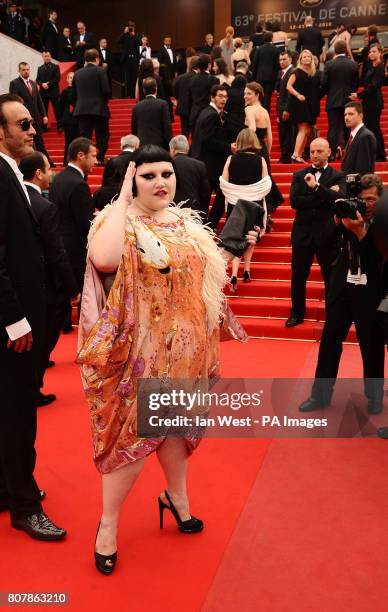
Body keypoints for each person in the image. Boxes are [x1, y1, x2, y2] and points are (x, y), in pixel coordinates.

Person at [77, 144, 256, 574]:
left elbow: (200, 278)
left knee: (177, 431)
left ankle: (176, 499)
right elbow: (103, 258)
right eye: (149, 176)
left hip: (187, 350)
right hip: (142, 354)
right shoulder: (117, 222)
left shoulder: (182, 222)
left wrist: (233, 249)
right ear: (131, 180)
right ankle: (108, 524)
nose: (161, 183)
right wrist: (120, 200)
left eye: (166, 174)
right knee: (134, 443)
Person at [0, 93, 66, 540]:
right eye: (22, 124)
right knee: (19, 413)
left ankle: (8, 490)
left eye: (32, 122)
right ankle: (24, 503)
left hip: (18, 316)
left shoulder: (9, 174)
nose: (32, 128)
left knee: (9, 409)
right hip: (14, 323)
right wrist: (16, 319)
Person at [299, 174, 386, 414]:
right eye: (362, 199)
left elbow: (378, 259)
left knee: (372, 346)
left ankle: (375, 398)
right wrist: (337, 221)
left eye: (371, 199)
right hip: (342, 287)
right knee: (329, 342)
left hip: (370, 291)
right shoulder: (348, 213)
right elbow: (323, 240)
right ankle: (320, 395)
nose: (365, 204)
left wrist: (360, 232)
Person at [20, 152, 79, 404]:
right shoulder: (44, 207)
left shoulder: (17, 199)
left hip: (20, 280)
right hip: (45, 285)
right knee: (44, 336)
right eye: (48, 169)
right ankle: (32, 387)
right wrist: (71, 287)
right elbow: (57, 253)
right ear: (38, 173)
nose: (51, 173)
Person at [286, 138, 345, 327]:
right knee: (298, 277)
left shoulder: (338, 176)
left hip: (328, 235)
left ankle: (333, 316)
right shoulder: (299, 175)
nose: (315, 155)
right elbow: (295, 202)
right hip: (303, 234)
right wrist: (324, 195)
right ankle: (296, 313)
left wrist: (316, 188)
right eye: (312, 152)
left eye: (320, 151)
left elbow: (339, 199)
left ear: (329, 152)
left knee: (331, 278)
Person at [49, 137, 96, 321]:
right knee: (81, 288)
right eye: (92, 156)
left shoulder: (59, 178)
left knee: (62, 286)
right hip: (76, 246)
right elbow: (85, 223)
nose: (95, 161)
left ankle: (64, 321)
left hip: (59, 240)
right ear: (80, 155)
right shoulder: (78, 184)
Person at [220, 128, 271, 291]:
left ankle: (234, 273)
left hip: (235, 205)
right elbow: (266, 184)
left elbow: (224, 183)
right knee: (250, 239)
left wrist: (238, 194)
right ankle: (247, 269)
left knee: (235, 238)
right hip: (253, 205)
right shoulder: (260, 160)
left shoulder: (231, 159)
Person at [190, 84, 235, 230]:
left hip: (205, 163)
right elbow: (208, 141)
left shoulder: (208, 112)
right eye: (220, 96)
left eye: (225, 96)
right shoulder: (211, 115)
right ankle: (208, 226)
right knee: (219, 195)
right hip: (209, 165)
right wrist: (229, 147)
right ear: (212, 97)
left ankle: (206, 226)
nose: (223, 99)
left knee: (206, 197)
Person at [244, 81, 284, 216]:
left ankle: (259, 212)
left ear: (257, 95)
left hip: (252, 149)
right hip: (263, 150)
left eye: (248, 94)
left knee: (255, 182)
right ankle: (267, 209)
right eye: (245, 93)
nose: (245, 96)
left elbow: (252, 129)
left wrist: (246, 146)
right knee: (265, 179)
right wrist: (267, 152)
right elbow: (270, 137)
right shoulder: (265, 111)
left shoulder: (248, 109)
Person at [9, 62, 54, 166]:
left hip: (35, 119)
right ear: (19, 71)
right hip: (24, 120)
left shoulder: (33, 83)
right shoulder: (14, 83)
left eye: (27, 69)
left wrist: (44, 115)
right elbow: (15, 102)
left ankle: (48, 162)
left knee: (40, 142)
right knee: (28, 143)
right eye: (23, 70)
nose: (26, 71)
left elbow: (39, 101)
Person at [72, 48, 111, 165]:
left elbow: (73, 94)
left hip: (81, 110)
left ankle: (86, 159)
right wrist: (104, 101)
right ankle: (99, 158)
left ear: (85, 59)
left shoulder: (77, 73)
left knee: (84, 137)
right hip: (99, 109)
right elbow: (106, 91)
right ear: (97, 59)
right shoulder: (100, 71)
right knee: (102, 135)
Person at [321, 40, 359, 160]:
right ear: (346, 50)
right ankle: (348, 152)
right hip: (349, 101)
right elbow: (356, 84)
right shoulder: (353, 64)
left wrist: (328, 93)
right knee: (349, 126)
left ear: (335, 51)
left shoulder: (329, 64)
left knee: (333, 127)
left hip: (332, 100)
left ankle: (331, 154)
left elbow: (324, 84)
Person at [286, 49, 320, 163]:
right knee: (303, 128)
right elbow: (288, 86)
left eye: (308, 57)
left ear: (311, 59)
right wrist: (298, 95)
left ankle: (299, 155)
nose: (306, 58)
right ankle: (295, 154)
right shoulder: (296, 72)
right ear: (300, 59)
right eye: (304, 57)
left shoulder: (312, 73)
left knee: (307, 130)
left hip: (309, 104)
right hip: (299, 104)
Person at [354, 44, 386, 162]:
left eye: (373, 51)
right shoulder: (370, 66)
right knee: (370, 128)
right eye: (369, 52)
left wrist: (358, 95)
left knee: (374, 128)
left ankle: (380, 155)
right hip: (367, 102)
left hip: (374, 103)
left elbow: (373, 86)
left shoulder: (380, 67)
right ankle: (374, 154)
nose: (370, 54)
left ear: (379, 53)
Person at [169, 134, 211, 219]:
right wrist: (203, 214)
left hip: (170, 209)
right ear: (187, 149)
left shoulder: (167, 164)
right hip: (193, 210)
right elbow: (205, 193)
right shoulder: (199, 165)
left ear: (172, 149)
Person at [131, 77, 172, 149]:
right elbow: (167, 127)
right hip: (159, 145)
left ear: (143, 90)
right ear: (156, 88)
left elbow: (134, 130)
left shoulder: (137, 107)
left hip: (142, 145)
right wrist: (168, 145)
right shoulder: (163, 104)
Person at [341, 101, 376, 175]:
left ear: (361, 116)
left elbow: (363, 170)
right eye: (345, 114)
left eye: (351, 114)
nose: (346, 118)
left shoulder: (365, 136)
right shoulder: (354, 135)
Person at [188, 54, 219, 132]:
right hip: (209, 115)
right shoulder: (214, 79)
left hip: (194, 114)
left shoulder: (191, 80)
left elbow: (189, 98)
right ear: (209, 65)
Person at [251, 32, 280, 112]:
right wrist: (276, 78)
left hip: (259, 76)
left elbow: (255, 64)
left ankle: (261, 113)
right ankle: (266, 114)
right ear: (271, 38)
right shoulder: (275, 49)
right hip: (271, 77)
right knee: (267, 96)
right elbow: (277, 65)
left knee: (261, 96)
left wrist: (253, 78)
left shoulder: (259, 49)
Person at [275, 50, 295, 164]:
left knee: (286, 134)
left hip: (286, 109)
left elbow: (290, 94)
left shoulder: (292, 72)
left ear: (290, 59)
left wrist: (286, 110)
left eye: (284, 59)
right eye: (280, 60)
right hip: (282, 108)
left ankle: (286, 158)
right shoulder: (283, 73)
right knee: (283, 133)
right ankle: (285, 156)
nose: (281, 62)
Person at [173, 56, 199, 137]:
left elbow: (174, 91)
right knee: (195, 132)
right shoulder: (198, 78)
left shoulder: (180, 77)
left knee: (184, 132)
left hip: (183, 108)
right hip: (195, 109)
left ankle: (184, 149)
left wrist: (179, 99)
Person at [36, 51, 61, 131]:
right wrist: (42, 84)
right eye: (45, 56)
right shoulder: (40, 68)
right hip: (43, 93)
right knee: (44, 111)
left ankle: (60, 126)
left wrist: (48, 84)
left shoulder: (56, 66)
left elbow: (57, 78)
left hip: (54, 92)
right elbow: (37, 79)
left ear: (50, 57)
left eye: (48, 56)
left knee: (57, 110)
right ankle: (44, 127)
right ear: (42, 57)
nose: (46, 57)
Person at [59, 72, 79, 166]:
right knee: (69, 142)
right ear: (67, 79)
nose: (72, 79)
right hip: (68, 120)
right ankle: (67, 162)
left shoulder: (79, 90)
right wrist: (60, 123)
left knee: (78, 142)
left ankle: (77, 162)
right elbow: (61, 107)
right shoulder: (65, 91)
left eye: (73, 77)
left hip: (78, 119)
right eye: (70, 77)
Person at [118, 21, 142, 98]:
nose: (131, 27)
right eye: (129, 26)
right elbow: (118, 41)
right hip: (126, 59)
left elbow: (140, 43)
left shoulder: (138, 35)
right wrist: (124, 33)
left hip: (135, 59)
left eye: (132, 26)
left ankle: (134, 94)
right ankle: (128, 95)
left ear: (134, 27)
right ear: (127, 27)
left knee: (135, 77)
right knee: (127, 78)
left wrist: (134, 35)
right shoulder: (125, 35)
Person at [225, 74, 247, 142]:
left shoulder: (229, 92)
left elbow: (226, 107)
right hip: (242, 120)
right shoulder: (245, 93)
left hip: (231, 120)